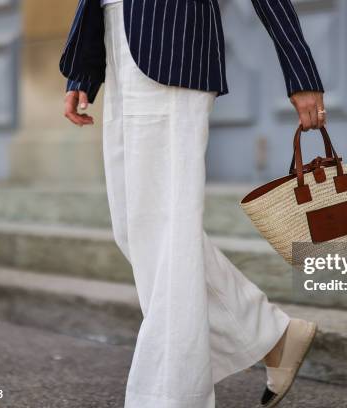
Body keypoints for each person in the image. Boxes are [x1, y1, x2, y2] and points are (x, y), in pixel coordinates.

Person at [60, 0, 325, 407]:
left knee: (167, 231)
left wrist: (301, 72)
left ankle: (170, 397)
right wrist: (83, 67)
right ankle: (272, 335)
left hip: (172, 45)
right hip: (119, 43)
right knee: (134, 227)